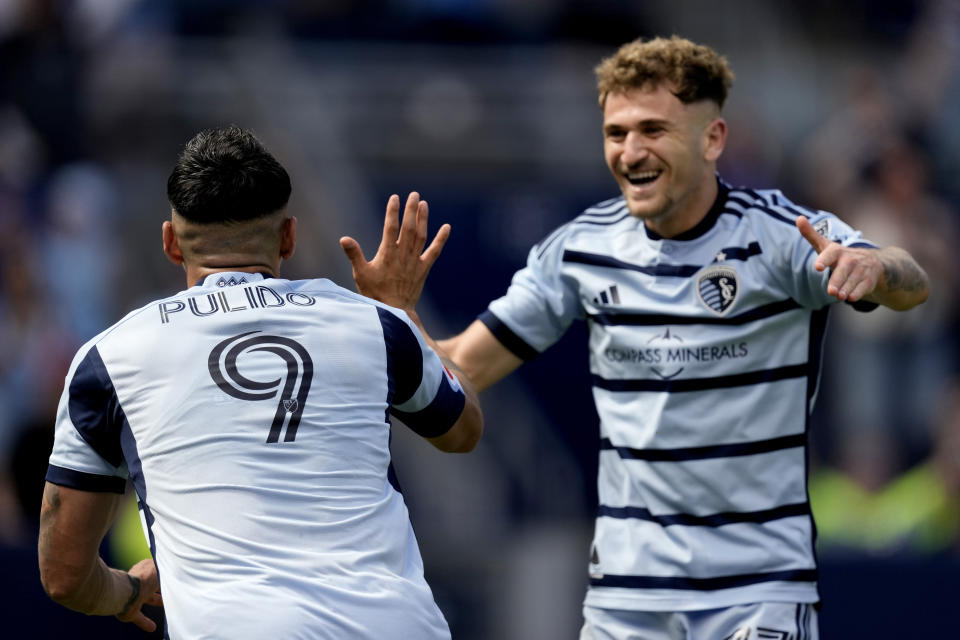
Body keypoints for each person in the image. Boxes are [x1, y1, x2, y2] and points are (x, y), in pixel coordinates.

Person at [339, 36, 930, 639]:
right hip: (627, 600)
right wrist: (397, 319)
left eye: (653, 129)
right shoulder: (580, 249)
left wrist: (878, 269)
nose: (631, 151)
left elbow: (910, 280)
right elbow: (465, 365)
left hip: (755, 595)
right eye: (616, 133)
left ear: (712, 138)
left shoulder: (783, 233)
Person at [38, 126, 483, 638]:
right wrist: (404, 311)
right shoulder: (374, 325)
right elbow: (463, 429)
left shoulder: (109, 358)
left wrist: (128, 592)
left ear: (170, 243)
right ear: (290, 237)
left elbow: (65, 576)